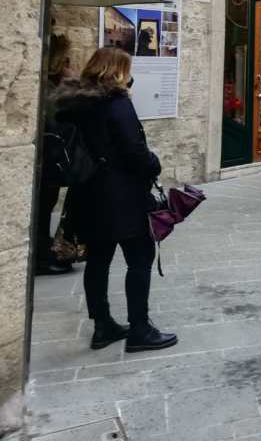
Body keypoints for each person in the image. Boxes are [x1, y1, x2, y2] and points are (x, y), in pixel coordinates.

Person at [54, 47, 176, 352]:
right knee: (140, 257)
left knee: (98, 259)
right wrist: (154, 163)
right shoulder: (116, 103)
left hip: (88, 194)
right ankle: (140, 329)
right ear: (118, 71)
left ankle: (103, 325)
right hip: (122, 196)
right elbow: (134, 151)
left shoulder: (76, 104)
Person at [36, 34, 75, 275]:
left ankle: (44, 250)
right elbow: (55, 124)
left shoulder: (53, 89)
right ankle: (41, 257)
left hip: (51, 161)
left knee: (45, 208)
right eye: (67, 61)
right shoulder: (49, 92)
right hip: (49, 161)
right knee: (41, 208)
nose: (71, 65)